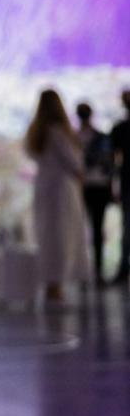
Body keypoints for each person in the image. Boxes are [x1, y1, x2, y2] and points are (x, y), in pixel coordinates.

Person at [25, 89, 89, 306]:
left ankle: (52, 285)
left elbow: (31, 154)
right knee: (62, 237)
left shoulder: (36, 132)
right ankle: (56, 287)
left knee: (47, 236)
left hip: (44, 187)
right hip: (62, 191)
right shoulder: (59, 133)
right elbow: (74, 163)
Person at [75, 103, 113, 286]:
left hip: (94, 188)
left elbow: (108, 164)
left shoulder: (95, 138)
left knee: (96, 229)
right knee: (86, 230)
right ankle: (85, 270)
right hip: (85, 188)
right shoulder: (73, 138)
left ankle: (95, 270)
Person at [109, 90, 130, 286]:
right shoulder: (119, 129)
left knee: (126, 228)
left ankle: (124, 268)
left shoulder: (120, 129)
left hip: (126, 182)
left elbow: (114, 160)